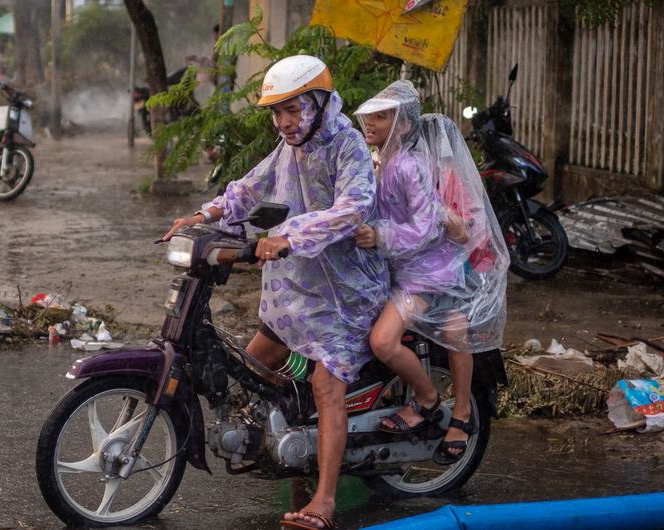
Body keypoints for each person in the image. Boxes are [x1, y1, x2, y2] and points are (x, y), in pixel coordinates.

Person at [163, 55, 388, 530]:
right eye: (276, 112)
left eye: (293, 109)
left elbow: (355, 208)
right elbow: (249, 188)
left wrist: (291, 235)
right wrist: (204, 216)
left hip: (343, 294)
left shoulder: (347, 146)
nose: (284, 122)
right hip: (295, 288)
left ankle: (324, 500)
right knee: (253, 370)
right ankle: (292, 455)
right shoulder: (290, 148)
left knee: (326, 385)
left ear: (320, 103)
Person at [353, 82, 507, 464]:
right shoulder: (377, 162)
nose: (369, 122)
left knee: (384, 341)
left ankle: (429, 399)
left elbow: (426, 227)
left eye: (381, 116)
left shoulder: (408, 165)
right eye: (369, 115)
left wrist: (380, 235)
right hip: (397, 267)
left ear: (403, 125)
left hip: (427, 273)